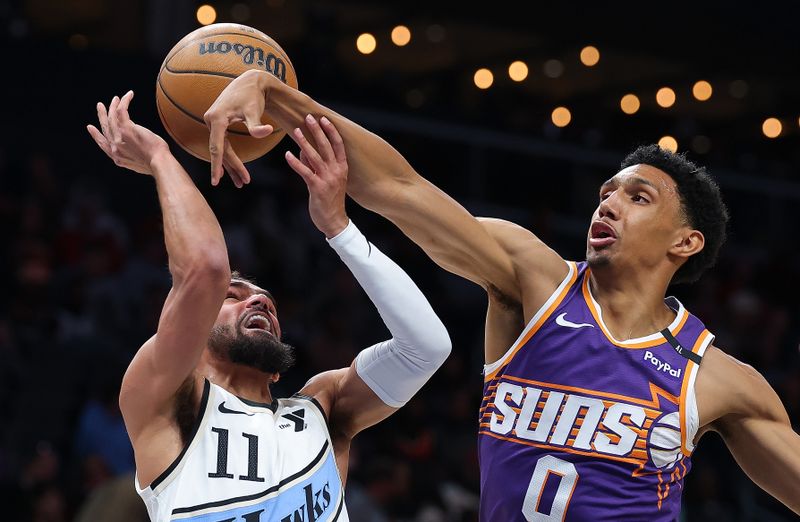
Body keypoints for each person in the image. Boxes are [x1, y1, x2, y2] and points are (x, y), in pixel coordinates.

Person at [201, 69, 800, 520]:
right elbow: (400, 187)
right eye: (606, 192)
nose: (609, 203)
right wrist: (272, 94)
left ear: (686, 242)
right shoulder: (531, 280)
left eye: (638, 197)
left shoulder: (717, 378)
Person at [85, 90, 451, 522]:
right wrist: (159, 158)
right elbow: (204, 269)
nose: (258, 299)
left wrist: (339, 228)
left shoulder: (324, 408)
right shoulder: (168, 397)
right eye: (232, 297)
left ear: (278, 370)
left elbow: (427, 348)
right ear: (192, 334)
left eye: (266, 302)